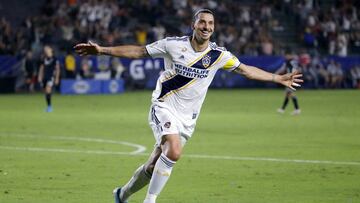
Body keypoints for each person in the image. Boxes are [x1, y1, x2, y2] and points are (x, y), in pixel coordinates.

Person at [74, 9, 303, 203]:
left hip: (187, 120)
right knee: (173, 151)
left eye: (210, 23)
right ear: (193, 24)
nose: (206, 26)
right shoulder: (173, 45)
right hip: (163, 105)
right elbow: (139, 51)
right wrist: (102, 50)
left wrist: (277, 78)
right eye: (202, 22)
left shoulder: (219, 55)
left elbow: (246, 70)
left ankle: (121, 195)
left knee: (154, 166)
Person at [276, 51, 302, 115]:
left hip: (291, 79)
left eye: (286, 55)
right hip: (294, 78)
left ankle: (297, 109)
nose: (285, 57)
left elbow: (282, 69)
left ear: (289, 55)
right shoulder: (295, 61)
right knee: (288, 94)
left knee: (290, 93)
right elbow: (299, 69)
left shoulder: (289, 62)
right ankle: (282, 109)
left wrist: (276, 74)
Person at [37, 45, 60, 112]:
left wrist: (57, 78)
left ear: (51, 49)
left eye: (47, 49)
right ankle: (48, 106)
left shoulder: (55, 59)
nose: (46, 50)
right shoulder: (44, 59)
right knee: (46, 93)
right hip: (45, 77)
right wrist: (39, 76)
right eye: (45, 49)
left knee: (48, 90)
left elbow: (57, 69)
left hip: (51, 77)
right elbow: (41, 68)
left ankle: (50, 107)